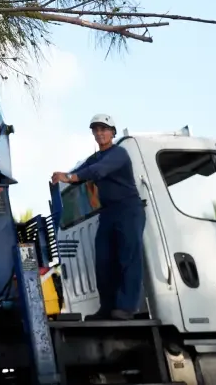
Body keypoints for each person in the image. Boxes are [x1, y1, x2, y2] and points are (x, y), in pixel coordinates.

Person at [51, 114, 145, 321]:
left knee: (128, 257)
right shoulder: (95, 157)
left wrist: (70, 176)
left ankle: (126, 308)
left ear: (112, 132)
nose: (100, 133)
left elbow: (97, 171)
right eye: (96, 130)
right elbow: (82, 172)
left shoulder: (119, 153)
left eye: (104, 129)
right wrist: (64, 175)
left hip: (129, 209)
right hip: (108, 212)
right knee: (103, 260)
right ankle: (107, 307)